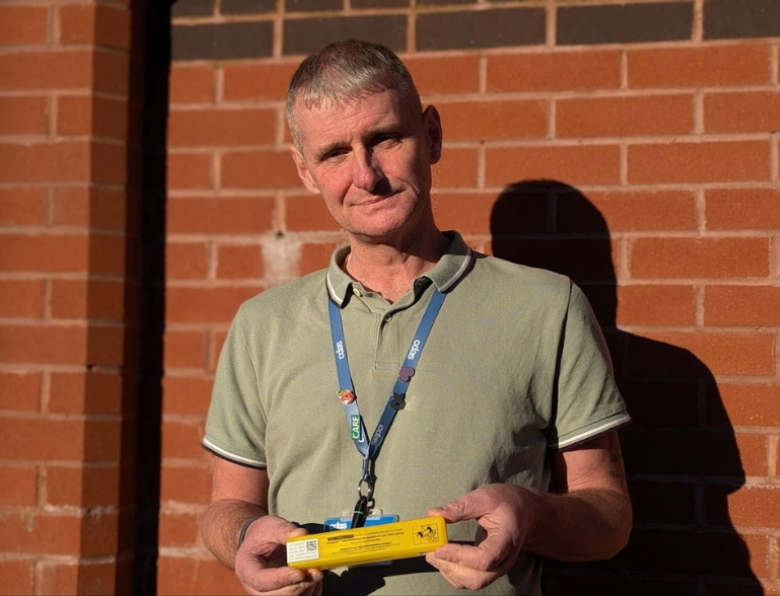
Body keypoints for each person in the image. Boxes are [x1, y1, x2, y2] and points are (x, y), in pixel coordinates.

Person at [201, 40, 632, 596]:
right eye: (334, 153)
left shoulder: (547, 308)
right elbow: (225, 508)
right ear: (305, 171)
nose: (366, 174)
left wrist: (530, 513)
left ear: (431, 135)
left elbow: (609, 519)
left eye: (384, 138)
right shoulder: (262, 325)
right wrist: (244, 536)